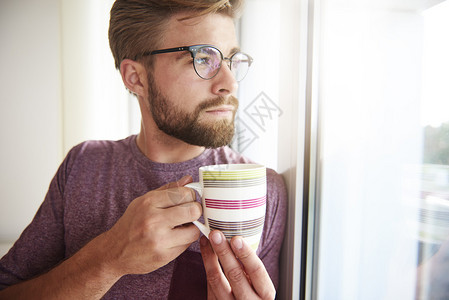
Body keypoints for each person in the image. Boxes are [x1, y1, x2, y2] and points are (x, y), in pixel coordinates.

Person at [0, 0, 287, 298]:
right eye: (203, 59)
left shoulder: (261, 190)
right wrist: (109, 257)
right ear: (135, 77)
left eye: (231, 60)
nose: (230, 83)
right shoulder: (83, 166)